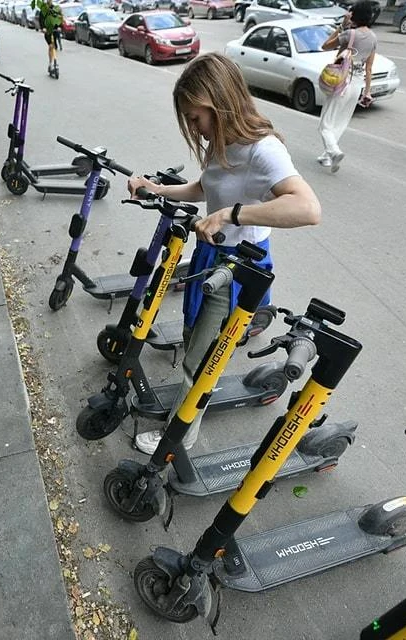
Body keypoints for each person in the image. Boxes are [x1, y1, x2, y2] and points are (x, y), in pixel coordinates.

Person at [126, 53, 322, 455]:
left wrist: (233, 214)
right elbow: (206, 187)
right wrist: (158, 189)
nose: (194, 129)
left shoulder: (262, 150)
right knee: (194, 336)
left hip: (237, 268)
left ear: (218, 103)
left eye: (196, 118)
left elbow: (308, 209)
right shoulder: (223, 143)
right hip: (210, 258)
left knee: (200, 359)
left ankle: (179, 437)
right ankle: (185, 411)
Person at [317, 0, 377, 172]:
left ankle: (334, 151)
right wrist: (367, 92)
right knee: (340, 122)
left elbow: (325, 46)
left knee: (325, 124)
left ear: (354, 15)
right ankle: (327, 157)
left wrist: (342, 26)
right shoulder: (373, 38)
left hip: (342, 82)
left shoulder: (350, 34)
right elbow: (369, 67)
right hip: (357, 84)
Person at [38, 0, 64, 74]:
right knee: (51, 46)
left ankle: (54, 61)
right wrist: (43, 28)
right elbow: (41, 20)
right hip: (48, 31)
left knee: (54, 46)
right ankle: (51, 62)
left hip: (55, 30)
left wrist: (59, 26)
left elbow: (59, 18)